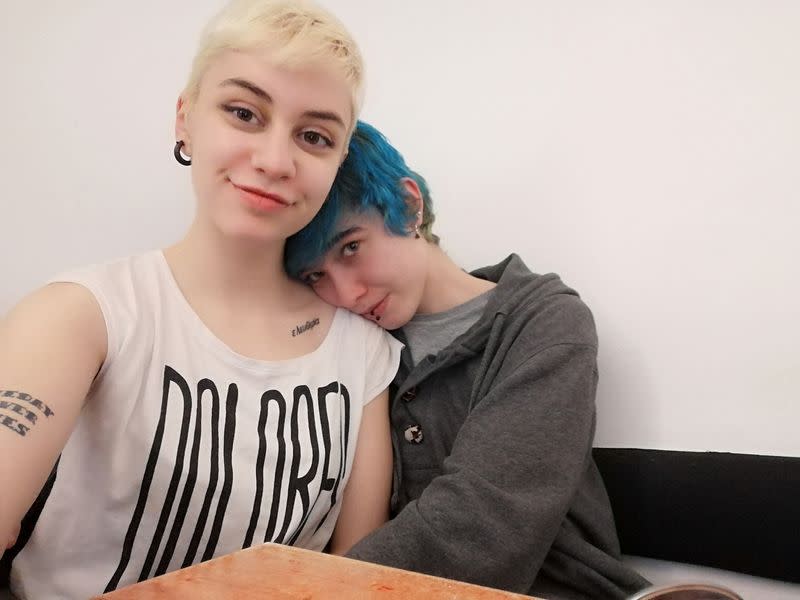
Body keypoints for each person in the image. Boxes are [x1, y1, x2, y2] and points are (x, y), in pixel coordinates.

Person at [0, 3, 402, 598]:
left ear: (337, 161)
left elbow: (351, 579)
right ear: (185, 118)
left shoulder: (366, 357)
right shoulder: (82, 315)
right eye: (243, 113)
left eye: (314, 136)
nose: (273, 160)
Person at [284, 121, 651, 600]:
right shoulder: (355, 348)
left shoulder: (543, 322)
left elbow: (483, 524)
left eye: (351, 248)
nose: (345, 293)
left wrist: (310, 591)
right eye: (316, 276)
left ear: (410, 206)